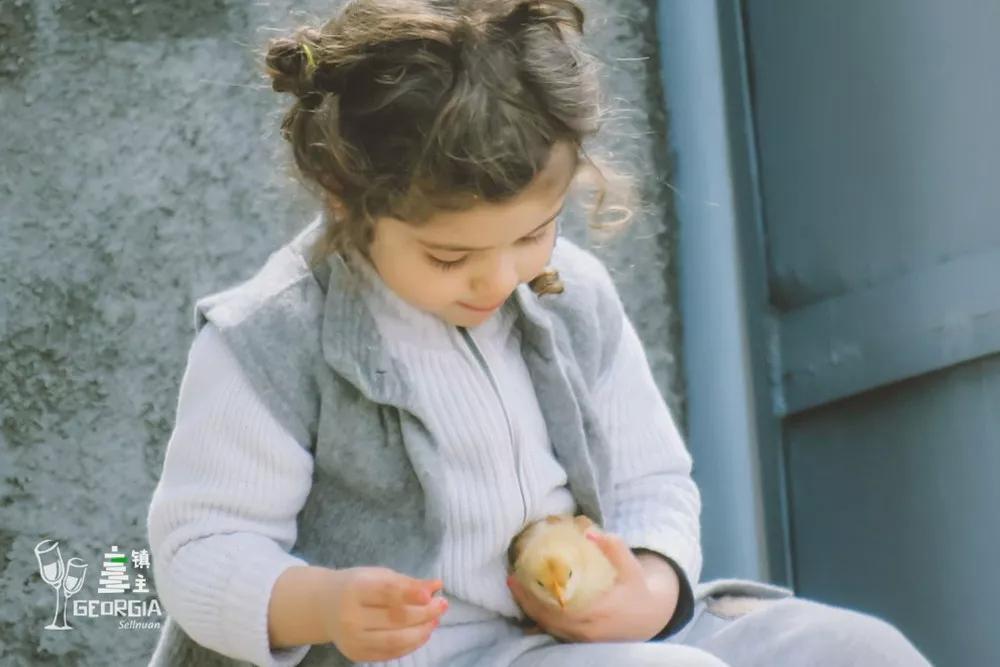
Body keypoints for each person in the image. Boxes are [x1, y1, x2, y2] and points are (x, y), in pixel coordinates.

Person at [146, 1, 932, 666]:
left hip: (569, 641)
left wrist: (651, 586)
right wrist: (317, 604)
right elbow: (200, 548)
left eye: (533, 236)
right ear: (348, 199)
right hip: (432, 655)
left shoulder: (570, 297)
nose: (496, 281)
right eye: (450, 255)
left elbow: (650, 479)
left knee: (859, 650)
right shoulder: (272, 340)